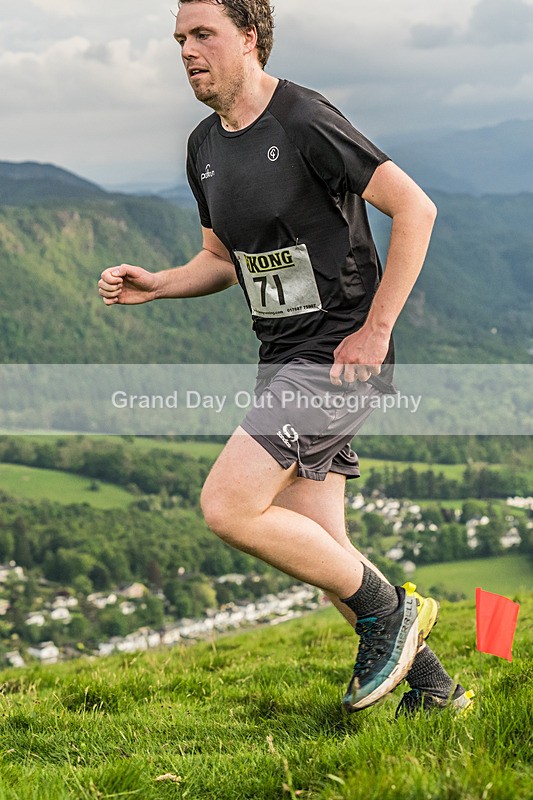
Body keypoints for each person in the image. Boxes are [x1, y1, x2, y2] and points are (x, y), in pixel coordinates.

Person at [98, 0, 471, 715]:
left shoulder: (302, 118)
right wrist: (159, 285)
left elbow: (415, 208)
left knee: (227, 505)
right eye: (179, 38)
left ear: (249, 37)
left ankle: (391, 612)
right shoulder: (203, 146)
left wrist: (377, 330)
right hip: (281, 357)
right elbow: (219, 259)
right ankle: (434, 692)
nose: (186, 50)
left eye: (202, 34)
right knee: (323, 547)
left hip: (338, 356)